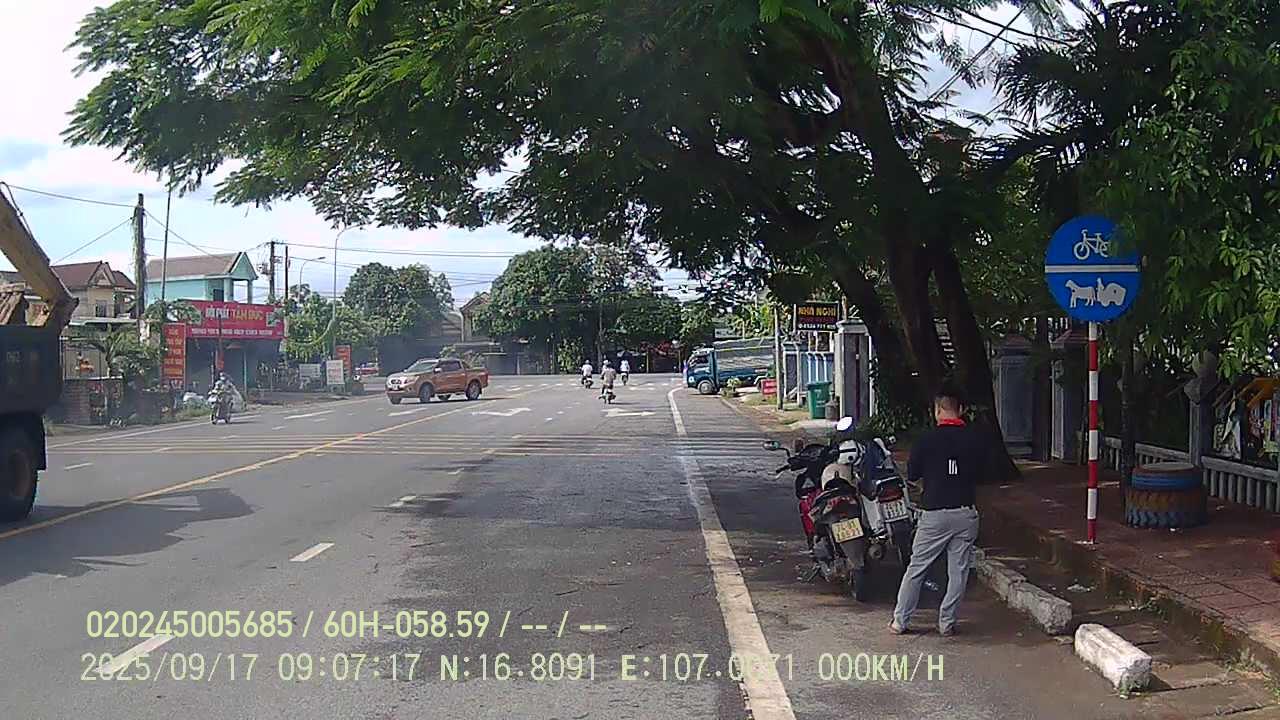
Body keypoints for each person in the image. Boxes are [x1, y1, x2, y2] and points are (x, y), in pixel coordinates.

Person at [890, 384, 987, 637]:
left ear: (936, 411)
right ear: (961, 409)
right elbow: (983, 474)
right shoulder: (975, 439)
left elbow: (913, 474)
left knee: (917, 567)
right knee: (958, 571)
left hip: (934, 514)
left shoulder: (926, 440)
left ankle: (900, 621)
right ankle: (947, 622)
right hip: (965, 513)